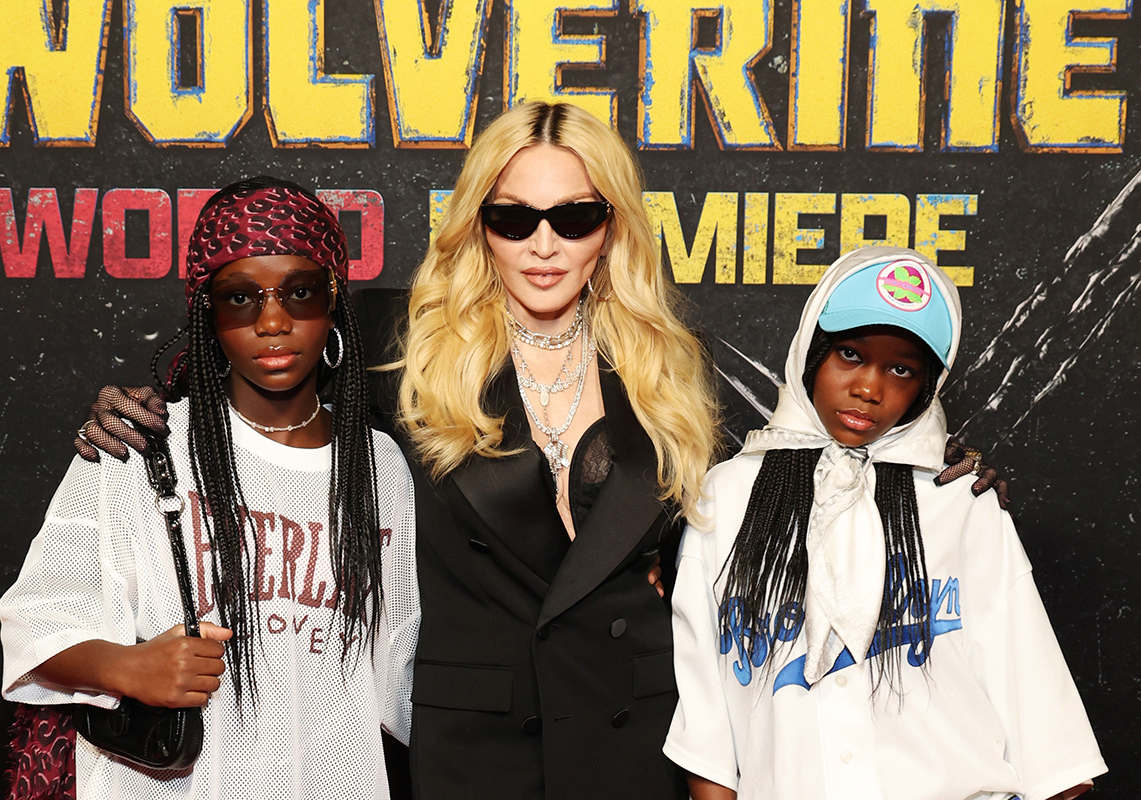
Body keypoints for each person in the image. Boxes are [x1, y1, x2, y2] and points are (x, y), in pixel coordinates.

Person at [72, 108, 1004, 799]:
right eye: (514, 218)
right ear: (479, 221)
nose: (545, 244)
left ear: (614, 224)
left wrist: (926, 459)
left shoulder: (674, 366)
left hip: (634, 727)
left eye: (575, 217)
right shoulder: (396, 337)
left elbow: (780, 486)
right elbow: (255, 346)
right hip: (473, 739)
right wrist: (149, 398)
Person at [0, 177, 418, 799]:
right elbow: (34, 625)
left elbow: (401, 683)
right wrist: (128, 668)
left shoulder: (379, 467)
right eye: (239, 298)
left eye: (300, 293)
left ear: (334, 303)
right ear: (206, 313)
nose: (273, 322)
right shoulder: (141, 445)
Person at [663, 246, 1106, 800]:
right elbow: (707, 717)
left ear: (927, 386)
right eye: (849, 354)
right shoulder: (727, 497)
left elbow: (1034, 700)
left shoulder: (959, 496)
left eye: (901, 369)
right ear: (811, 352)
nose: (870, 388)